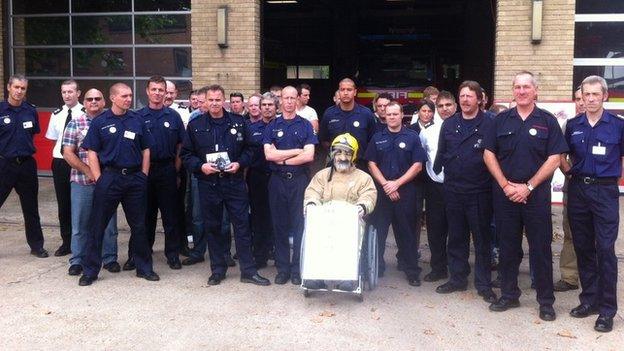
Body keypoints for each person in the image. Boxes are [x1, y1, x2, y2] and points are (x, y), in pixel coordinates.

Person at [483, 71, 567, 321]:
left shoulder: (547, 121)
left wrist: (528, 186)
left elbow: (555, 158)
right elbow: (489, 154)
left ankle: (546, 301)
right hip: (506, 195)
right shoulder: (499, 121)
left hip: (536, 196)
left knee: (540, 248)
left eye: (526, 87)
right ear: (513, 90)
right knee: (508, 247)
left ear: (535, 91)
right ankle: (509, 294)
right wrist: (506, 185)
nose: (521, 91)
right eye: (517, 87)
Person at [180, 84, 270, 286]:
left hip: (234, 183)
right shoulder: (195, 125)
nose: (214, 103)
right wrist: (201, 166)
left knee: (242, 226)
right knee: (213, 227)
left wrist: (240, 164)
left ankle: (248, 270)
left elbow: (250, 149)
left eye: (217, 100)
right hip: (209, 183)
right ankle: (218, 270)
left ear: (224, 101)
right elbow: (186, 154)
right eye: (210, 100)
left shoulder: (239, 122)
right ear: (205, 101)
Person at [79, 83, 159, 286]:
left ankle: (144, 267)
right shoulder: (100, 122)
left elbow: (146, 150)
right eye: (124, 96)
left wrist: (143, 175)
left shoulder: (137, 120)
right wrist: (98, 178)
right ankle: (90, 270)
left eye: (130, 95)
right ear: (112, 98)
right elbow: (92, 152)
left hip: (134, 180)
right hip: (110, 178)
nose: (128, 99)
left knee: (139, 225)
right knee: (97, 226)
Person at [563, 75, 623, 333]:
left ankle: (608, 310)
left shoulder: (618, 126)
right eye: (585, 94)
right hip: (578, 190)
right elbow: (562, 155)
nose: (589, 99)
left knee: (606, 249)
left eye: (595, 94)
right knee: (583, 247)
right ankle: (589, 300)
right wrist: (570, 172)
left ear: (605, 96)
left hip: (605, 190)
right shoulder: (573, 124)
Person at [433, 81, 496, 303]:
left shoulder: (491, 122)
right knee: (456, 237)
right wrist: (437, 167)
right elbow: (442, 150)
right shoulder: (449, 124)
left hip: (480, 190)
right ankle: (457, 278)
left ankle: (484, 284)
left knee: (482, 239)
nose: (465, 100)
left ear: (479, 99)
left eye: (470, 96)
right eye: (462, 96)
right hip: (453, 189)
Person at [303, 133, 377, 291]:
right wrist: (311, 204)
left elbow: (369, 195)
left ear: (354, 155)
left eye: (347, 153)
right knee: (315, 229)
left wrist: (362, 206)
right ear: (332, 154)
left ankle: (347, 277)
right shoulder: (322, 176)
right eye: (338, 152)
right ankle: (316, 276)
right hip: (325, 217)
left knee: (351, 232)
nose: (342, 157)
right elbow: (312, 192)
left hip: (351, 218)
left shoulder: (363, 178)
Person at [365, 101, 426, 286]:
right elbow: (371, 163)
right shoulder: (377, 137)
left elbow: (418, 165)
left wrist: (397, 184)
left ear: (402, 116)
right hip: (383, 194)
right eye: (388, 114)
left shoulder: (413, 137)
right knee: (379, 232)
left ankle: (411, 271)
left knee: (407, 234)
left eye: (395, 114)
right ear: (385, 116)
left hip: (405, 192)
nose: (391, 117)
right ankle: (377, 267)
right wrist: (386, 185)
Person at [129, 75, 185, 271]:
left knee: (170, 216)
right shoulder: (136, 117)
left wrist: (176, 171)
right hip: (144, 172)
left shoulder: (174, 116)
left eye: (161, 90)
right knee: (144, 217)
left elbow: (180, 146)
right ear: (147, 91)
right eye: (154, 89)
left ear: (165, 93)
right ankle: (139, 256)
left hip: (167, 170)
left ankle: (172, 255)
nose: (157, 93)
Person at [263, 86, 318, 285]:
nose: (288, 101)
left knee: (299, 225)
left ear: (297, 101)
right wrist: (296, 151)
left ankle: (297, 269)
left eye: (292, 98)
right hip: (277, 182)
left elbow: (309, 155)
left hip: (298, 181)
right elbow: (269, 155)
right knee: (279, 226)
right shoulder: (272, 125)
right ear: (281, 101)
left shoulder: (305, 125)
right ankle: (283, 269)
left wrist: (283, 159)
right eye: (285, 98)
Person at [62, 88, 119, 276]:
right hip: (81, 181)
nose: (93, 101)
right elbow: (68, 152)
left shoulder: (111, 122)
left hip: (108, 181)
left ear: (104, 102)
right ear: (84, 102)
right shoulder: (75, 123)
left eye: (97, 98)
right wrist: (88, 171)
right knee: (80, 224)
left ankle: (109, 258)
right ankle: (78, 260)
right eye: (89, 99)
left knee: (109, 224)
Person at [0, 74, 48, 258]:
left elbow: (34, 133)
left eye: (23, 88)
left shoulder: (30, 111)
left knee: (31, 208)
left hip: (26, 165)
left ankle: (37, 246)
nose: (19, 91)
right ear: (8, 87)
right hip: (4, 164)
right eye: (16, 87)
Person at [45, 79, 84, 256]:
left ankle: (82, 240)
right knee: (64, 203)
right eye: (64, 92)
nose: (67, 95)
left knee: (81, 203)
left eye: (70, 91)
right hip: (60, 162)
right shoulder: (57, 114)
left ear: (78, 93)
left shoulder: (86, 112)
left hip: (79, 162)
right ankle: (66, 242)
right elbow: (55, 139)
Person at [418, 94, 453, 283]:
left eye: (448, 104)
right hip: (435, 187)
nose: (445, 108)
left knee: (457, 230)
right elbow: (423, 157)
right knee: (436, 231)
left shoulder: (461, 127)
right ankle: (438, 268)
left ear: (454, 106)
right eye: (441, 105)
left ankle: (457, 271)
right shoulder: (427, 132)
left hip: (457, 186)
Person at [553, 87, 584, 292]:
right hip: (573, 188)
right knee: (571, 233)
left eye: (586, 97)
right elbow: (560, 155)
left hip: (600, 190)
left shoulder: (614, 125)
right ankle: (570, 277)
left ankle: (594, 276)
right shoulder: (569, 125)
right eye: (578, 99)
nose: (582, 102)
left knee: (598, 236)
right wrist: (570, 174)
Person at [245, 92, 278, 269]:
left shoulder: (283, 127)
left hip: (277, 177)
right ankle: (260, 256)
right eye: (263, 105)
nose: (266, 108)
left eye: (270, 105)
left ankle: (278, 255)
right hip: (256, 177)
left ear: (276, 107)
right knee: (258, 217)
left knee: (278, 216)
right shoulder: (251, 129)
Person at [320, 78, 376, 170]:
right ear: (339, 92)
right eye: (342, 90)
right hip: (335, 165)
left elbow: (372, 140)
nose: (345, 93)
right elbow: (324, 140)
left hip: (360, 166)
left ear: (355, 92)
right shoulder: (329, 113)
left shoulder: (366, 113)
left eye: (349, 90)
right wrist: (336, 153)